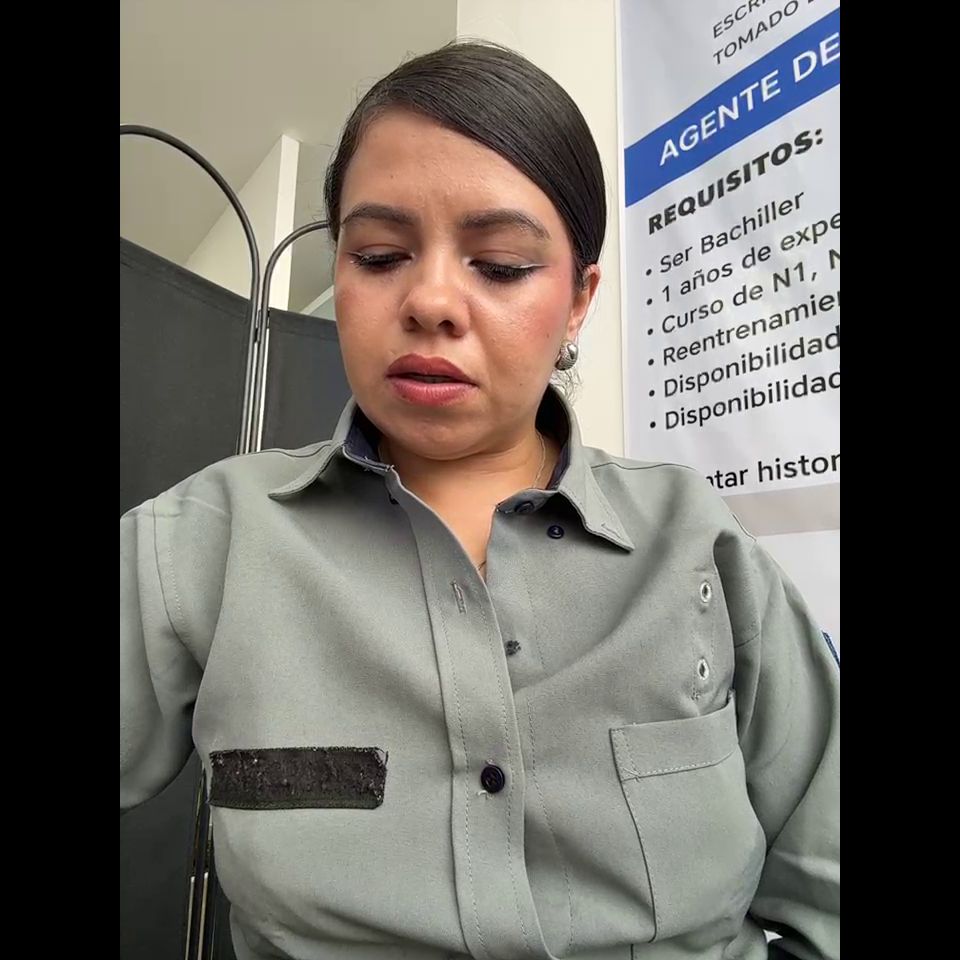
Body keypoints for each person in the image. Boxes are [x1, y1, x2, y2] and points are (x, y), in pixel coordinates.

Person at [120, 41, 839, 960]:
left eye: (498, 265)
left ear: (577, 302)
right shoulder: (206, 543)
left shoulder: (696, 544)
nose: (430, 301)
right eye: (379, 255)